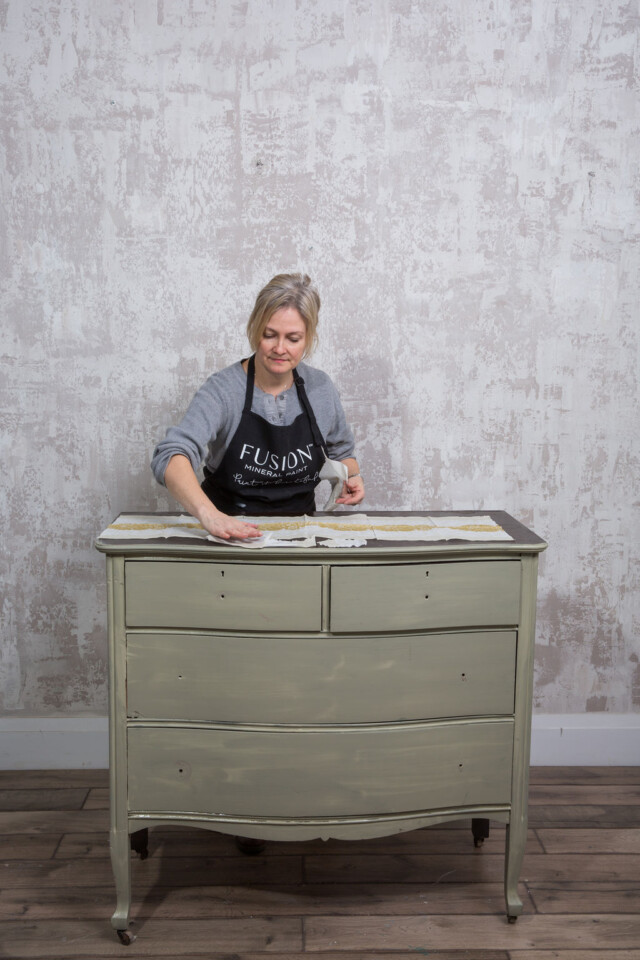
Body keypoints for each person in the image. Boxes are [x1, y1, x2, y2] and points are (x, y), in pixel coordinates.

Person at [151, 273, 364, 539]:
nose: (280, 348)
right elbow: (171, 455)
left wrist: (352, 475)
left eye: (293, 338)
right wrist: (210, 515)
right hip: (228, 536)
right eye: (269, 335)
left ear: (308, 338)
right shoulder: (223, 390)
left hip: (301, 537)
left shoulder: (320, 388)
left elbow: (342, 450)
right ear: (255, 329)